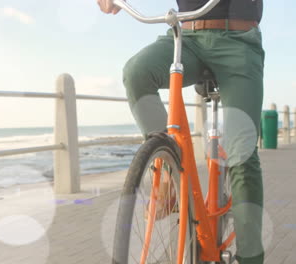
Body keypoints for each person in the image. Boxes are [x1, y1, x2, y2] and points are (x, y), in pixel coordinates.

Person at [97, 0, 265, 263]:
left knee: (241, 155)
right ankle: (168, 173)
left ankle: (251, 259)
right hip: (186, 36)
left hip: (238, 39)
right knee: (137, 72)